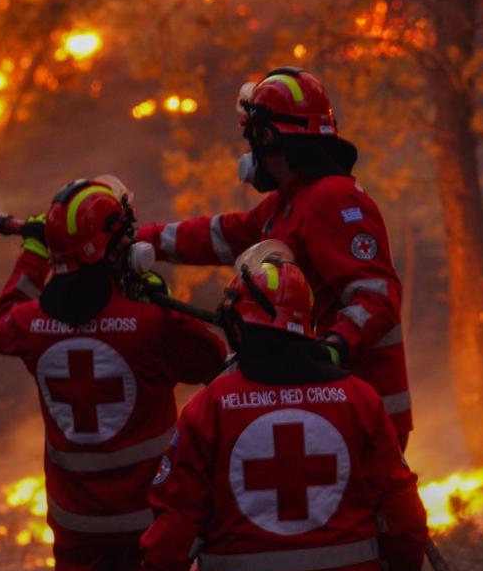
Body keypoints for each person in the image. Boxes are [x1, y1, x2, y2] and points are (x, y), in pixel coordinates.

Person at [134, 250, 428, 571]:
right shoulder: (360, 402)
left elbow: (176, 527)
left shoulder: (209, 410)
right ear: (308, 325)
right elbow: (403, 516)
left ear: (239, 324)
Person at [0, 175, 226, 571]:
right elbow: (212, 357)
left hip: (77, 526)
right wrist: (151, 291)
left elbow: (4, 320)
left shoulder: (28, 326)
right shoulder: (151, 325)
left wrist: (34, 254)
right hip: (148, 522)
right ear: (111, 250)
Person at [135, 67, 414, 449]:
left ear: (267, 136)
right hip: (330, 409)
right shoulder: (291, 202)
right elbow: (223, 235)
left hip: (362, 414)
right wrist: (143, 239)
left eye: (252, 138)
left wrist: (330, 347)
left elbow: (378, 297)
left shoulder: (334, 199)